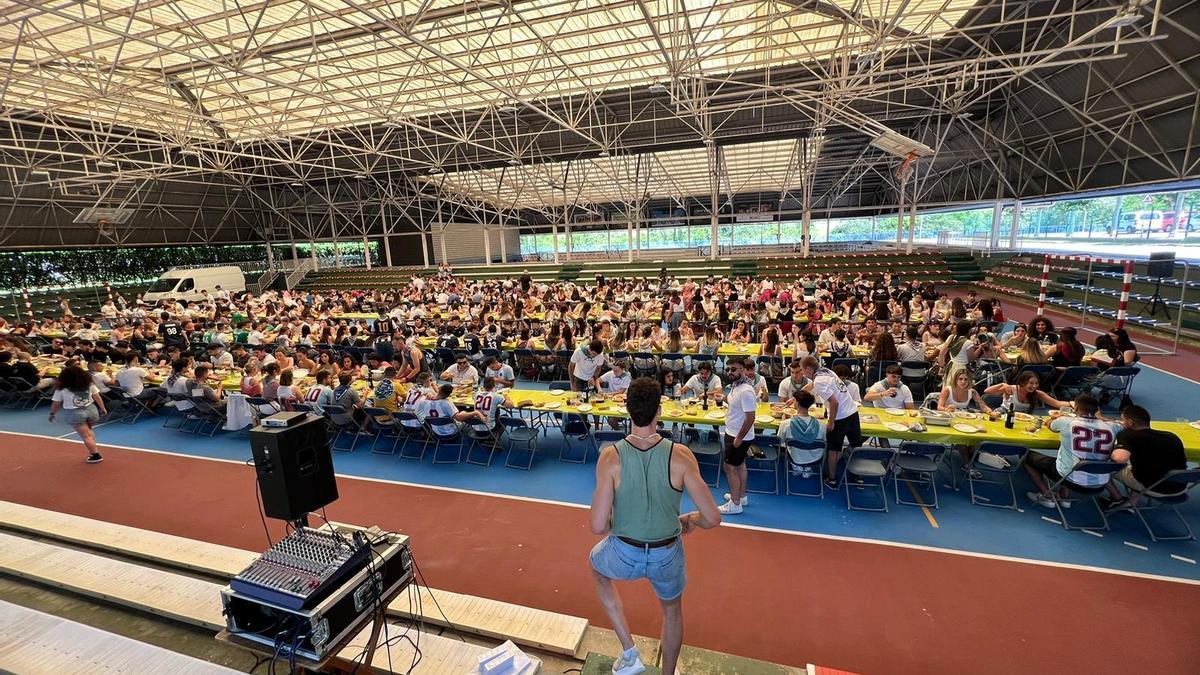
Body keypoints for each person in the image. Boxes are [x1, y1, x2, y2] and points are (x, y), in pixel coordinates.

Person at [589, 376, 721, 675]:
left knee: (597, 568)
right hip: (667, 553)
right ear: (659, 410)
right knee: (672, 610)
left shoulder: (610, 457)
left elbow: (598, 525)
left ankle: (629, 651)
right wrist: (690, 521)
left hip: (623, 551)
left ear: (627, 408)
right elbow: (712, 518)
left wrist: (625, 520)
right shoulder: (681, 455)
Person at [1024, 394, 1122, 508]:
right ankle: (1064, 497)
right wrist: (1103, 418)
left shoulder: (1067, 422)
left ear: (1075, 409)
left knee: (1027, 457)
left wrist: (1056, 418)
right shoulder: (1113, 427)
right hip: (1100, 483)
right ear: (1097, 411)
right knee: (1072, 459)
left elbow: (1050, 424)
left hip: (1070, 478)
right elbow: (1123, 425)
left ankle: (1047, 496)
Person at [1103, 405, 1188, 509]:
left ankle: (1118, 499)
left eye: (1123, 420)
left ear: (1130, 422)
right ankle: (1131, 502)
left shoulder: (1128, 436)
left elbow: (1119, 458)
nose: (1122, 423)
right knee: (1145, 467)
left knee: (1103, 468)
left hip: (1154, 487)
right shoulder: (1171, 436)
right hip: (1180, 487)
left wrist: (1114, 448)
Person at [801, 355, 863, 490]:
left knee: (833, 450)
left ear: (808, 369)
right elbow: (811, 384)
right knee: (856, 445)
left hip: (840, 417)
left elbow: (834, 402)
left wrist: (831, 422)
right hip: (853, 412)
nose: (803, 373)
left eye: (803, 370)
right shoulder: (827, 371)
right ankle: (859, 476)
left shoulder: (819, 381)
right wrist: (797, 395)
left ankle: (832, 480)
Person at [719, 357, 758, 515]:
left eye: (733, 369)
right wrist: (724, 398)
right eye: (728, 369)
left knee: (730, 468)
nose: (730, 372)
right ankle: (741, 496)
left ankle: (734, 504)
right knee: (740, 465)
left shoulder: (746, 391)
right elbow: (737, 405)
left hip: (737, 436)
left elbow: (750, 417)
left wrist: (739, 438)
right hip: (733, 432)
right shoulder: (737, 386)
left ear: (742, 370)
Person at [48, 364, 107, 463]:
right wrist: (103, 408)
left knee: (86, 435)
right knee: (88, 431)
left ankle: (95, 455)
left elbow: (56, 404)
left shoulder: (61, 389)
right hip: (92, 410)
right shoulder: (89, 385)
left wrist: (52, 414)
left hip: (75, 413)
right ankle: (93, 447)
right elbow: (97, 397)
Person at [777, 390, 825, 477]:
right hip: (816, 458)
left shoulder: (786, 424)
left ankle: (796, 466)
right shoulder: (821, 425)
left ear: (797, 403)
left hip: (795, 458)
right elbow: (825, 441)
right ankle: (807, 468)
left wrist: (782, 423)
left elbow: (780, 441)